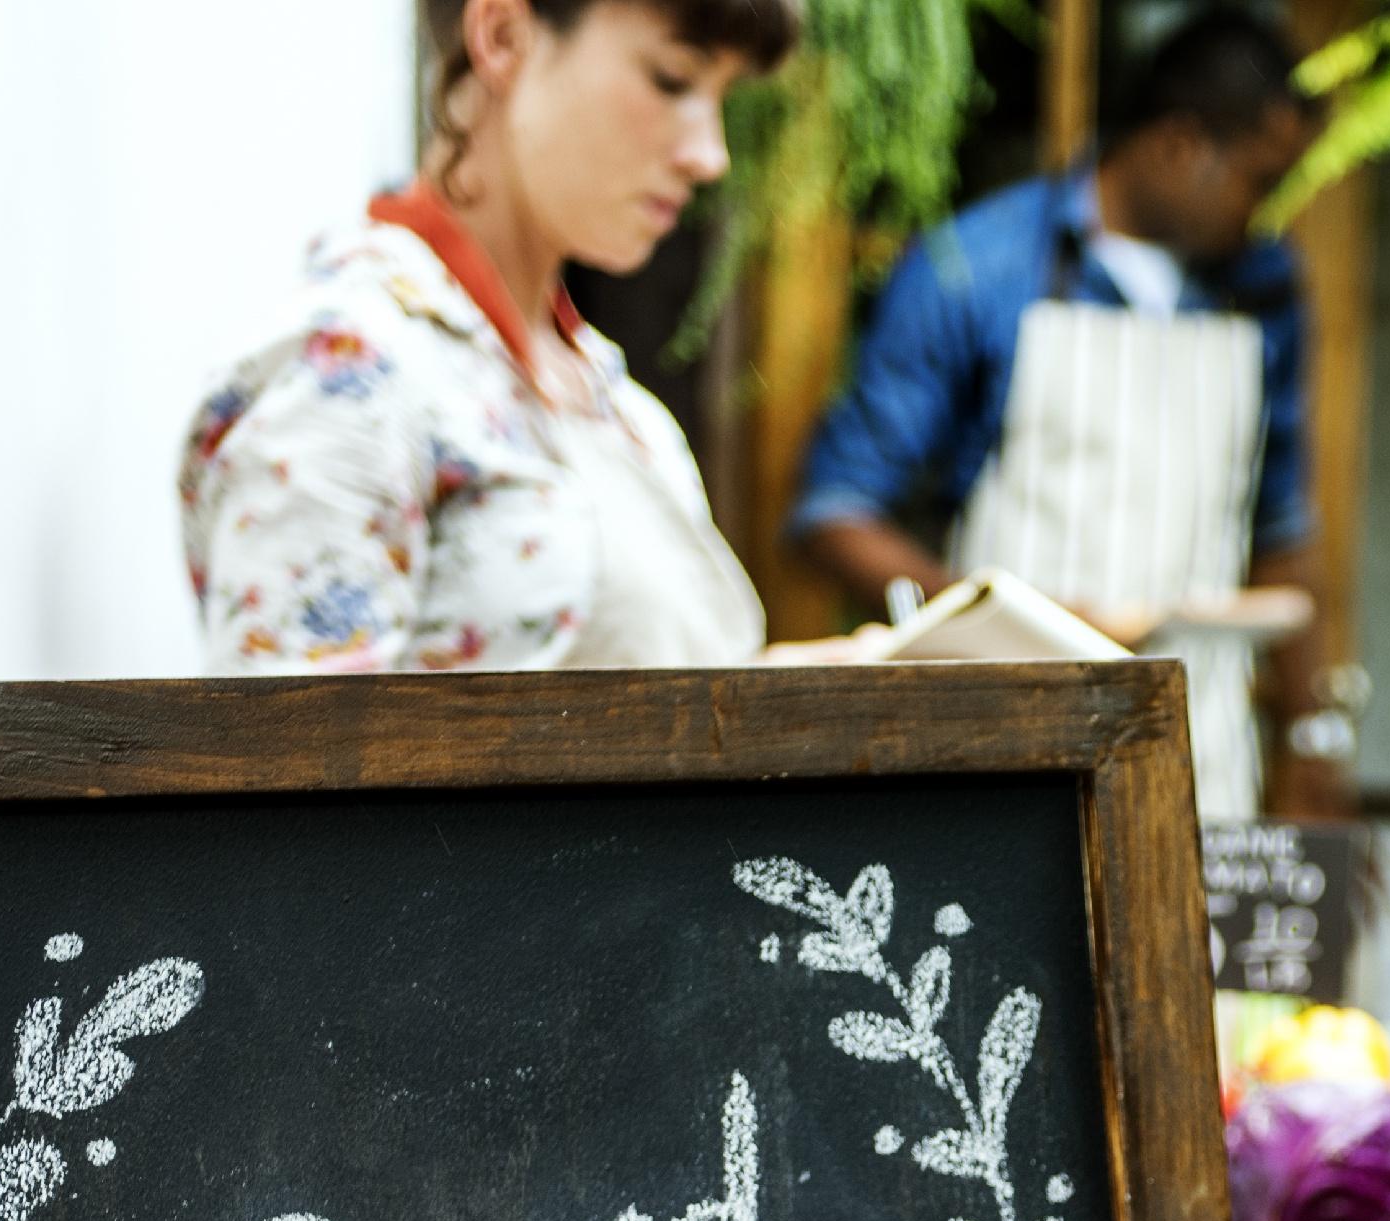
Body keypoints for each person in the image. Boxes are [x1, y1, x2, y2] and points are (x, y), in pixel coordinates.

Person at [786, 10, 1322, 816]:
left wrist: (1312, 740)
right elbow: (834, 513)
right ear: (1179, 143)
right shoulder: (978, 268)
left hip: (1203, 758)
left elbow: (1279, 526)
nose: (1269, 212)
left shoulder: (1266, 287)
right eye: (1260, 181)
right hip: (1004, 741)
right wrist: (1003, 621)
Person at [182, 0, 788, 673]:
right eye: (671, 80)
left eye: (721, 97)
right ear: (503, 36)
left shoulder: (611, 399)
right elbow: (290, 760)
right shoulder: (347, 371)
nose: (710, 156)